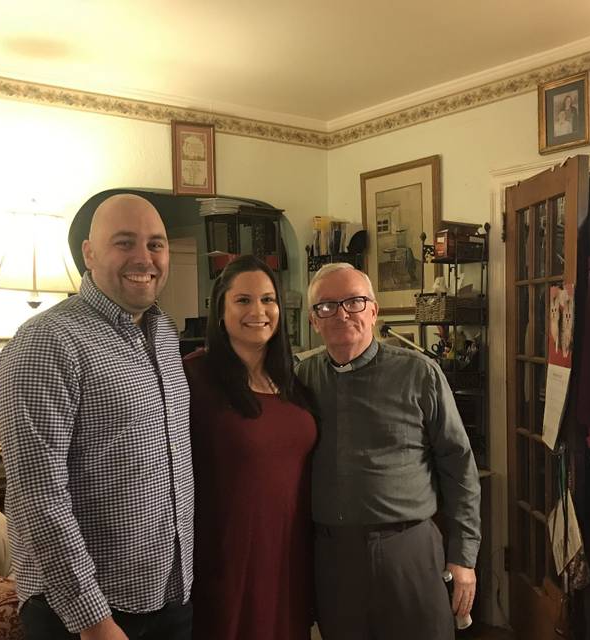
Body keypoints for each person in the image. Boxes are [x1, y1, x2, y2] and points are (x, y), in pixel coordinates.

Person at [0, 193, 194, 640]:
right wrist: (93, 622)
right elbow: (37, 496)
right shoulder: (45, 342)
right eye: (124, 243)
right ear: (89, 253)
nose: (144, 258)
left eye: (156, 244)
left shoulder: (162, 332)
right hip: (84, 615)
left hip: (168, 595)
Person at [295, 263, 482, 640]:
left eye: (354, 302)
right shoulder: (301, 379)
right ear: (314, 320)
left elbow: (458, 465)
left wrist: (463, 557)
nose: (342, 313)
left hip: (408, 550)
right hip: (334, 558)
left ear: (374, 311)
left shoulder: (420, 374)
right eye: (327, 306)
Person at [184, 255, 316, 640]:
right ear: (220, 311)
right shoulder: (194, 377)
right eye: (243, 300)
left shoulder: (294, 380)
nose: (258, 311)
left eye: (268, 299)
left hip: (290, 551)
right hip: (228, 555)